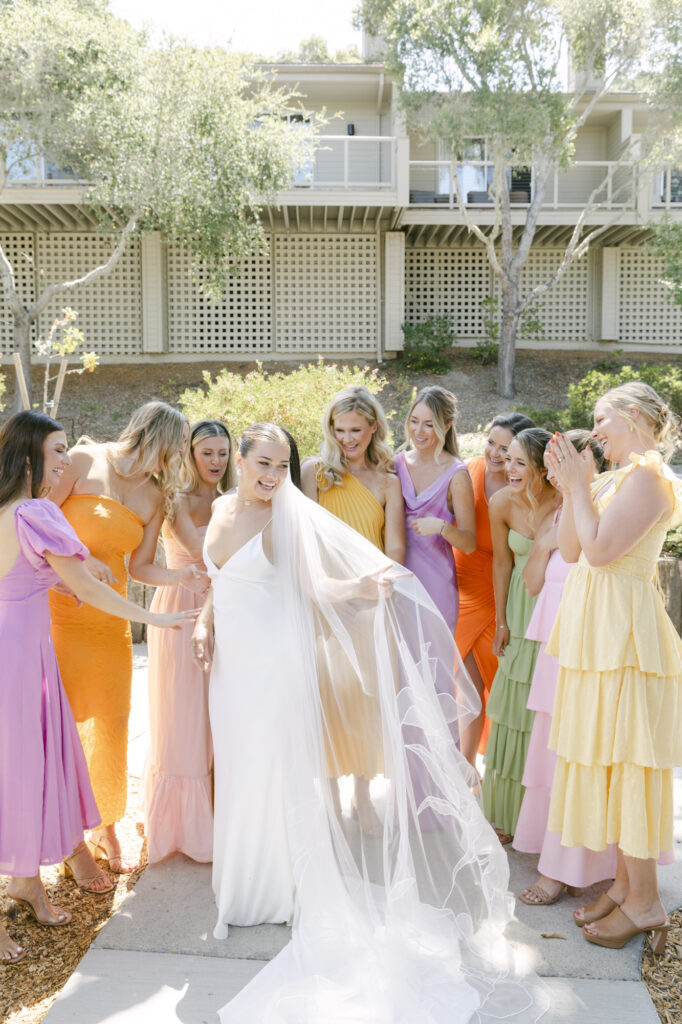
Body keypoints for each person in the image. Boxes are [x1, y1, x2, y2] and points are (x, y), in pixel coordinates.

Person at [193, 422, 547, 1023]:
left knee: (274, 765)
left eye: (282, 466)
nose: (273, 476)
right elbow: (221, 579)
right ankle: (238, 884)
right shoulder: (225, 507)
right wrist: (205, 621)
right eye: (263, 464)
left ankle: (278, 887)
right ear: (242, 460)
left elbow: (311, 587)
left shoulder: (284, 515)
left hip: (275, 661)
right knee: (238, 764)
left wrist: (359, 586)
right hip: (232, 664)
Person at [0, 411, 195, 965]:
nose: (68, 459)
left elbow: (89, 568)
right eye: (59, 451)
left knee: (32, 765)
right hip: (22, 653)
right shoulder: (37, 512)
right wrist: (157, 621)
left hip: (24, 647)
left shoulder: (14, 511)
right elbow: (84, 582)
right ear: (33, 457)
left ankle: (27, 883)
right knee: (15, 775)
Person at [545, 382, 681, 952]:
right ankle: (625, 887)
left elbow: (602, 552)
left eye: (601, 419)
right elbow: (572, 549)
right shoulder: (612, 476)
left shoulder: (650, 476)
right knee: (607, 758)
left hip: (626, 637)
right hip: (599, 635)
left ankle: (647, 900)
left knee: (628, 762)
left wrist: (580, 486)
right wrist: (571, 487)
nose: (594, 430)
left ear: (631, 417)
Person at [49, 402, 207, 884]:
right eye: (178, 446)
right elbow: (38, 520)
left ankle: (105, 826)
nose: (180, 457)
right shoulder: (83, 459)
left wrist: (182, 575)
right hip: (58, 612)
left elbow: (139, 567)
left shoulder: (156, 495)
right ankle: (66, 839)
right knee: (64, 725)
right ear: (155, 436)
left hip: (108, 620)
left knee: (112, 723)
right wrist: (72, 565)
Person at [514, 432, 617, 905]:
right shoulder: (557, 514)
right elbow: (533, 584)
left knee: (585, 756)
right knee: (554, 758)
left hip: (590, 648)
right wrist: (544, 542)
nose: (551, 474)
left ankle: (577, 867)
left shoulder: (602, 508)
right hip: (556, 653)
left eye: (559, 464)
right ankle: (554, 860)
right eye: (550, 466)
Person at [301, 386, 405, 835]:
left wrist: (373, 591)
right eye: (339, 430)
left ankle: (364, 799)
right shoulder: (314, 475)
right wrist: (334, 592)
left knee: (366, 702)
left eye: (356, 430)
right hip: (324, 602)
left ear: (373, 427)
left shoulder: (388, 483)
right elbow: (303, 544)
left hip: (371, 605)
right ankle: (329, 801)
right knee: (327, 699)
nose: (347, 439)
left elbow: (395, 547)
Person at [143, 420, 235, 864]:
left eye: (223, 453)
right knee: (184, 717)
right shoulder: (174, 500)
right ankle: (186, 830)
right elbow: (203, 556)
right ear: (190, 454)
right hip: (181, 608)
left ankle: (221, 818)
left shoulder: (231, 502)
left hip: (228, 611)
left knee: (219, 716)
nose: (216, 462)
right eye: (207, 453)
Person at [482, 427, 560, 844]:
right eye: (505, 458)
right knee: (513, 712)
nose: (506, 467)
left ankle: (545, 820)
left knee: (544, 713)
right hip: (518, 607)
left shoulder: (562, 499)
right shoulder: (500, 502)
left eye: (518, 462)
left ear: (541, 467)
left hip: (556, 610)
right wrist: (501, 622)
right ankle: (504, 815)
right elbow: (501, 565)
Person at [455, 413, 535, 766]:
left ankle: (499, 771)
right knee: (466, 692)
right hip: (458, 593)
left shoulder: (522, 489)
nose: (495, 453)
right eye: (491, 442)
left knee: (498, 691)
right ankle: (465, 772)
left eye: (506, 448)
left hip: (500, 596)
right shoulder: (466, 470)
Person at [394, 386, 476, 631]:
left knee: (433, 666)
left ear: (447, 425)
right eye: (414, 421)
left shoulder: (457, 475)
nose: (418, 431)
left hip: (435, 588)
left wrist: (442, 528)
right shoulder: (396, 463)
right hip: (396, 583)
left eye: (429, 424)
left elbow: (469, 543)